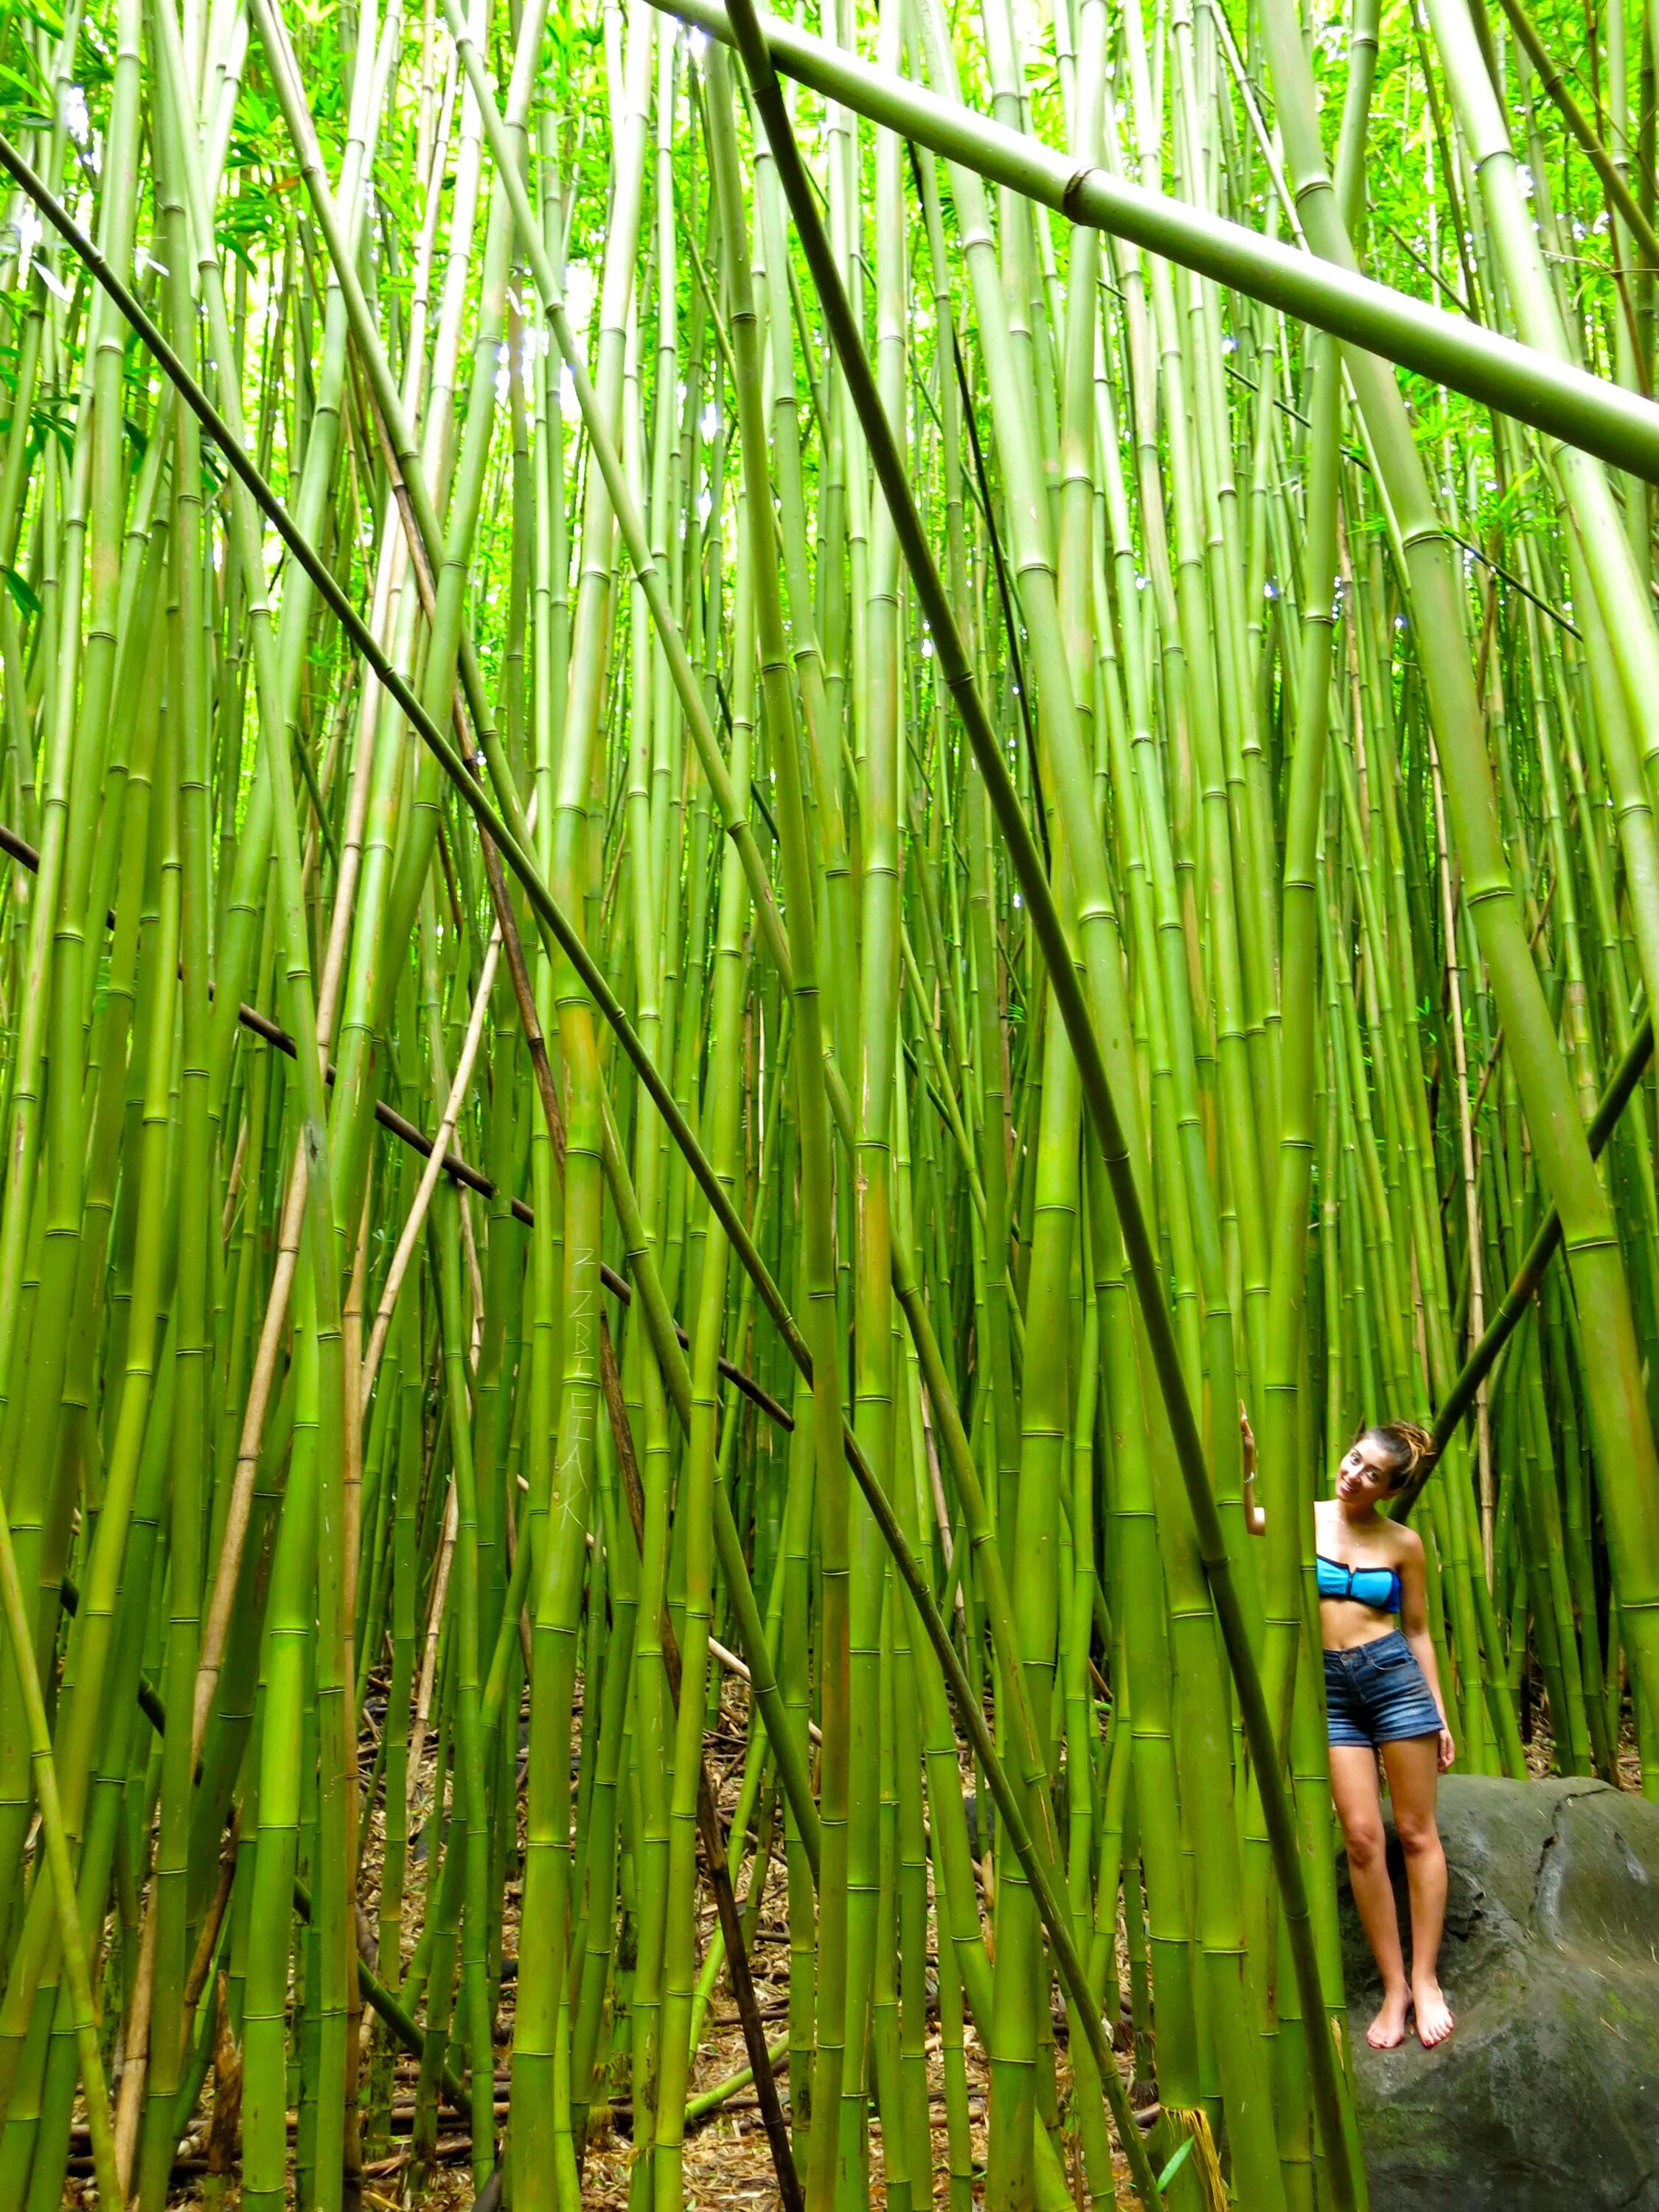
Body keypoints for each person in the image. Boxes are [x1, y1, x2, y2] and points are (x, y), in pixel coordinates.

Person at [1240, 1409, 1456, 2051]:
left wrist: (1438, 1713)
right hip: (1330, 1691)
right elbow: (1244, 1519)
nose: (1354, 1475)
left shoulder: (1402, 1544)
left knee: (1416, 1834)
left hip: (1394, 1682)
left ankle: (1427, 1978)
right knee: (1362, 1838)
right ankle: (1395, 1987)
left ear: (1392, 1489)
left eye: (1372, 1474)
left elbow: (1417, 1630)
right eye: (1353, 1459)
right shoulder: (1306, 1516)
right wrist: (1249, 1466)